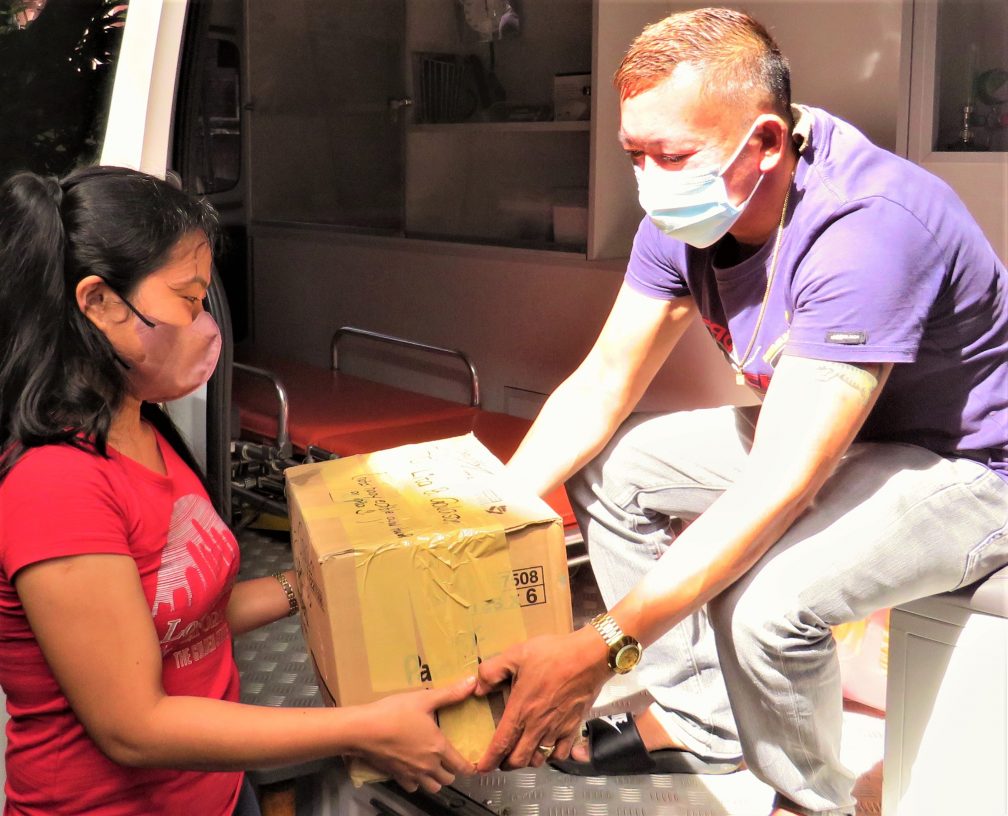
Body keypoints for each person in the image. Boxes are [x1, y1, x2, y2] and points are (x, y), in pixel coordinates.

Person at [472, 8, 1008, 816]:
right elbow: (602, 382)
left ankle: (815, 799)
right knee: (612, 470)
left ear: (764, 142)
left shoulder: (867, 226)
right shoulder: (688, 218)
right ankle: (702, 717)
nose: (650, 180)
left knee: (764, 608)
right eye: (635, 155)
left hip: (970, 464)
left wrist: (603, 645)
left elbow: (781, 483)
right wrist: (482, 517)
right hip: (848, 436)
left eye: (672, 156)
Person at [0, 166, 475, 816]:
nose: (203, 325)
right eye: (187, 299)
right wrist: (366, 728)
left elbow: (184, 616)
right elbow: (134, 727)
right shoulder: (56, 483)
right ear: (100, 302)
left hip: (218, 791)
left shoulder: (143, 428)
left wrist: (325, 580)